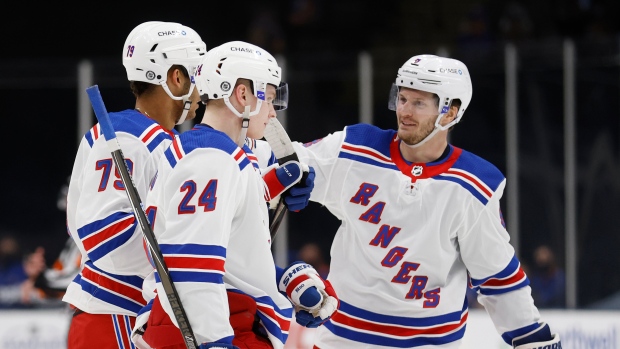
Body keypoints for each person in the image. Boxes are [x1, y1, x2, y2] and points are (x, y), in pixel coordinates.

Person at [287, 54, 562, 348]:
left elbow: (495, 273)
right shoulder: (355, 149)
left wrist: (529, 334)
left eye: (419, 103)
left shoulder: (474, 185)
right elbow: (284, 162)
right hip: (342, 341)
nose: (405, 111)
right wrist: (283, 177)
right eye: (402, 98)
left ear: (451, 112)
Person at [131, 41, 337, 349]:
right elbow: (191, 265)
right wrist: (214, 340)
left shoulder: (213, 153)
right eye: (267, 98)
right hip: (217, 329)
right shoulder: (213, 160)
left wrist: (281, 280)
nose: (272, 111)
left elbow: (221, 259)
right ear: (243, 95)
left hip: (213, 321)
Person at [62, 21, 207, 348]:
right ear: (176, 77)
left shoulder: (154, 140)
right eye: (198, 74)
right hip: (115, 318)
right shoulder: (127, 138)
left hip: (137, 317)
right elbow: (101, 234)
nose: (203, 91)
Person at [0, 232, 46, 308]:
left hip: (24, 314)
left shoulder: (21, 269)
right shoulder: (6, 270)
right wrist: (19, 292)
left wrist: (35, 288)